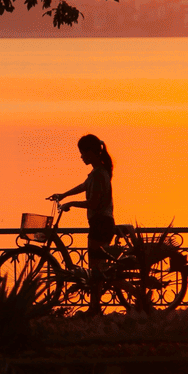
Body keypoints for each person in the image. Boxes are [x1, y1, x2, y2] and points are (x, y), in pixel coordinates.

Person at [49, 134, 115, 316]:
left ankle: (95, 308)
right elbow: (83, 186)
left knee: (96, 270)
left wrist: (71, 204)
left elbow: (93, 203)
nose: (81, 157)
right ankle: (95, 306)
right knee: (97, 268)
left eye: (82, 153)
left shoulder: (100, 174)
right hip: (102, 223)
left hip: (100, 224)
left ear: (91, 152)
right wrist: (64, 195)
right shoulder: (98, 172)